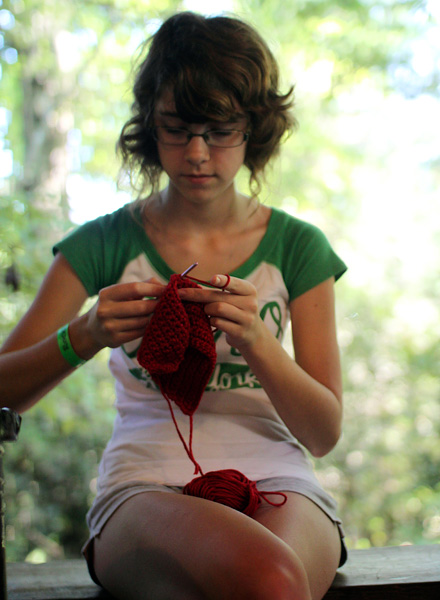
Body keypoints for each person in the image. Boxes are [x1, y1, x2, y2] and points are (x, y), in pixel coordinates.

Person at [1, 11, 348, 600]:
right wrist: (83, 335)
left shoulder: (297, 247)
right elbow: (4, 388)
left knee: (273, 579)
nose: (195, 153)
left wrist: (259, 343)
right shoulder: (104, 243)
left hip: (282, 479)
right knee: (265, 578)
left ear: (254, 128)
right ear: (147, 125)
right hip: (143, 485)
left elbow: (322, 432)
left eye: (219, 131)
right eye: (175, 128)